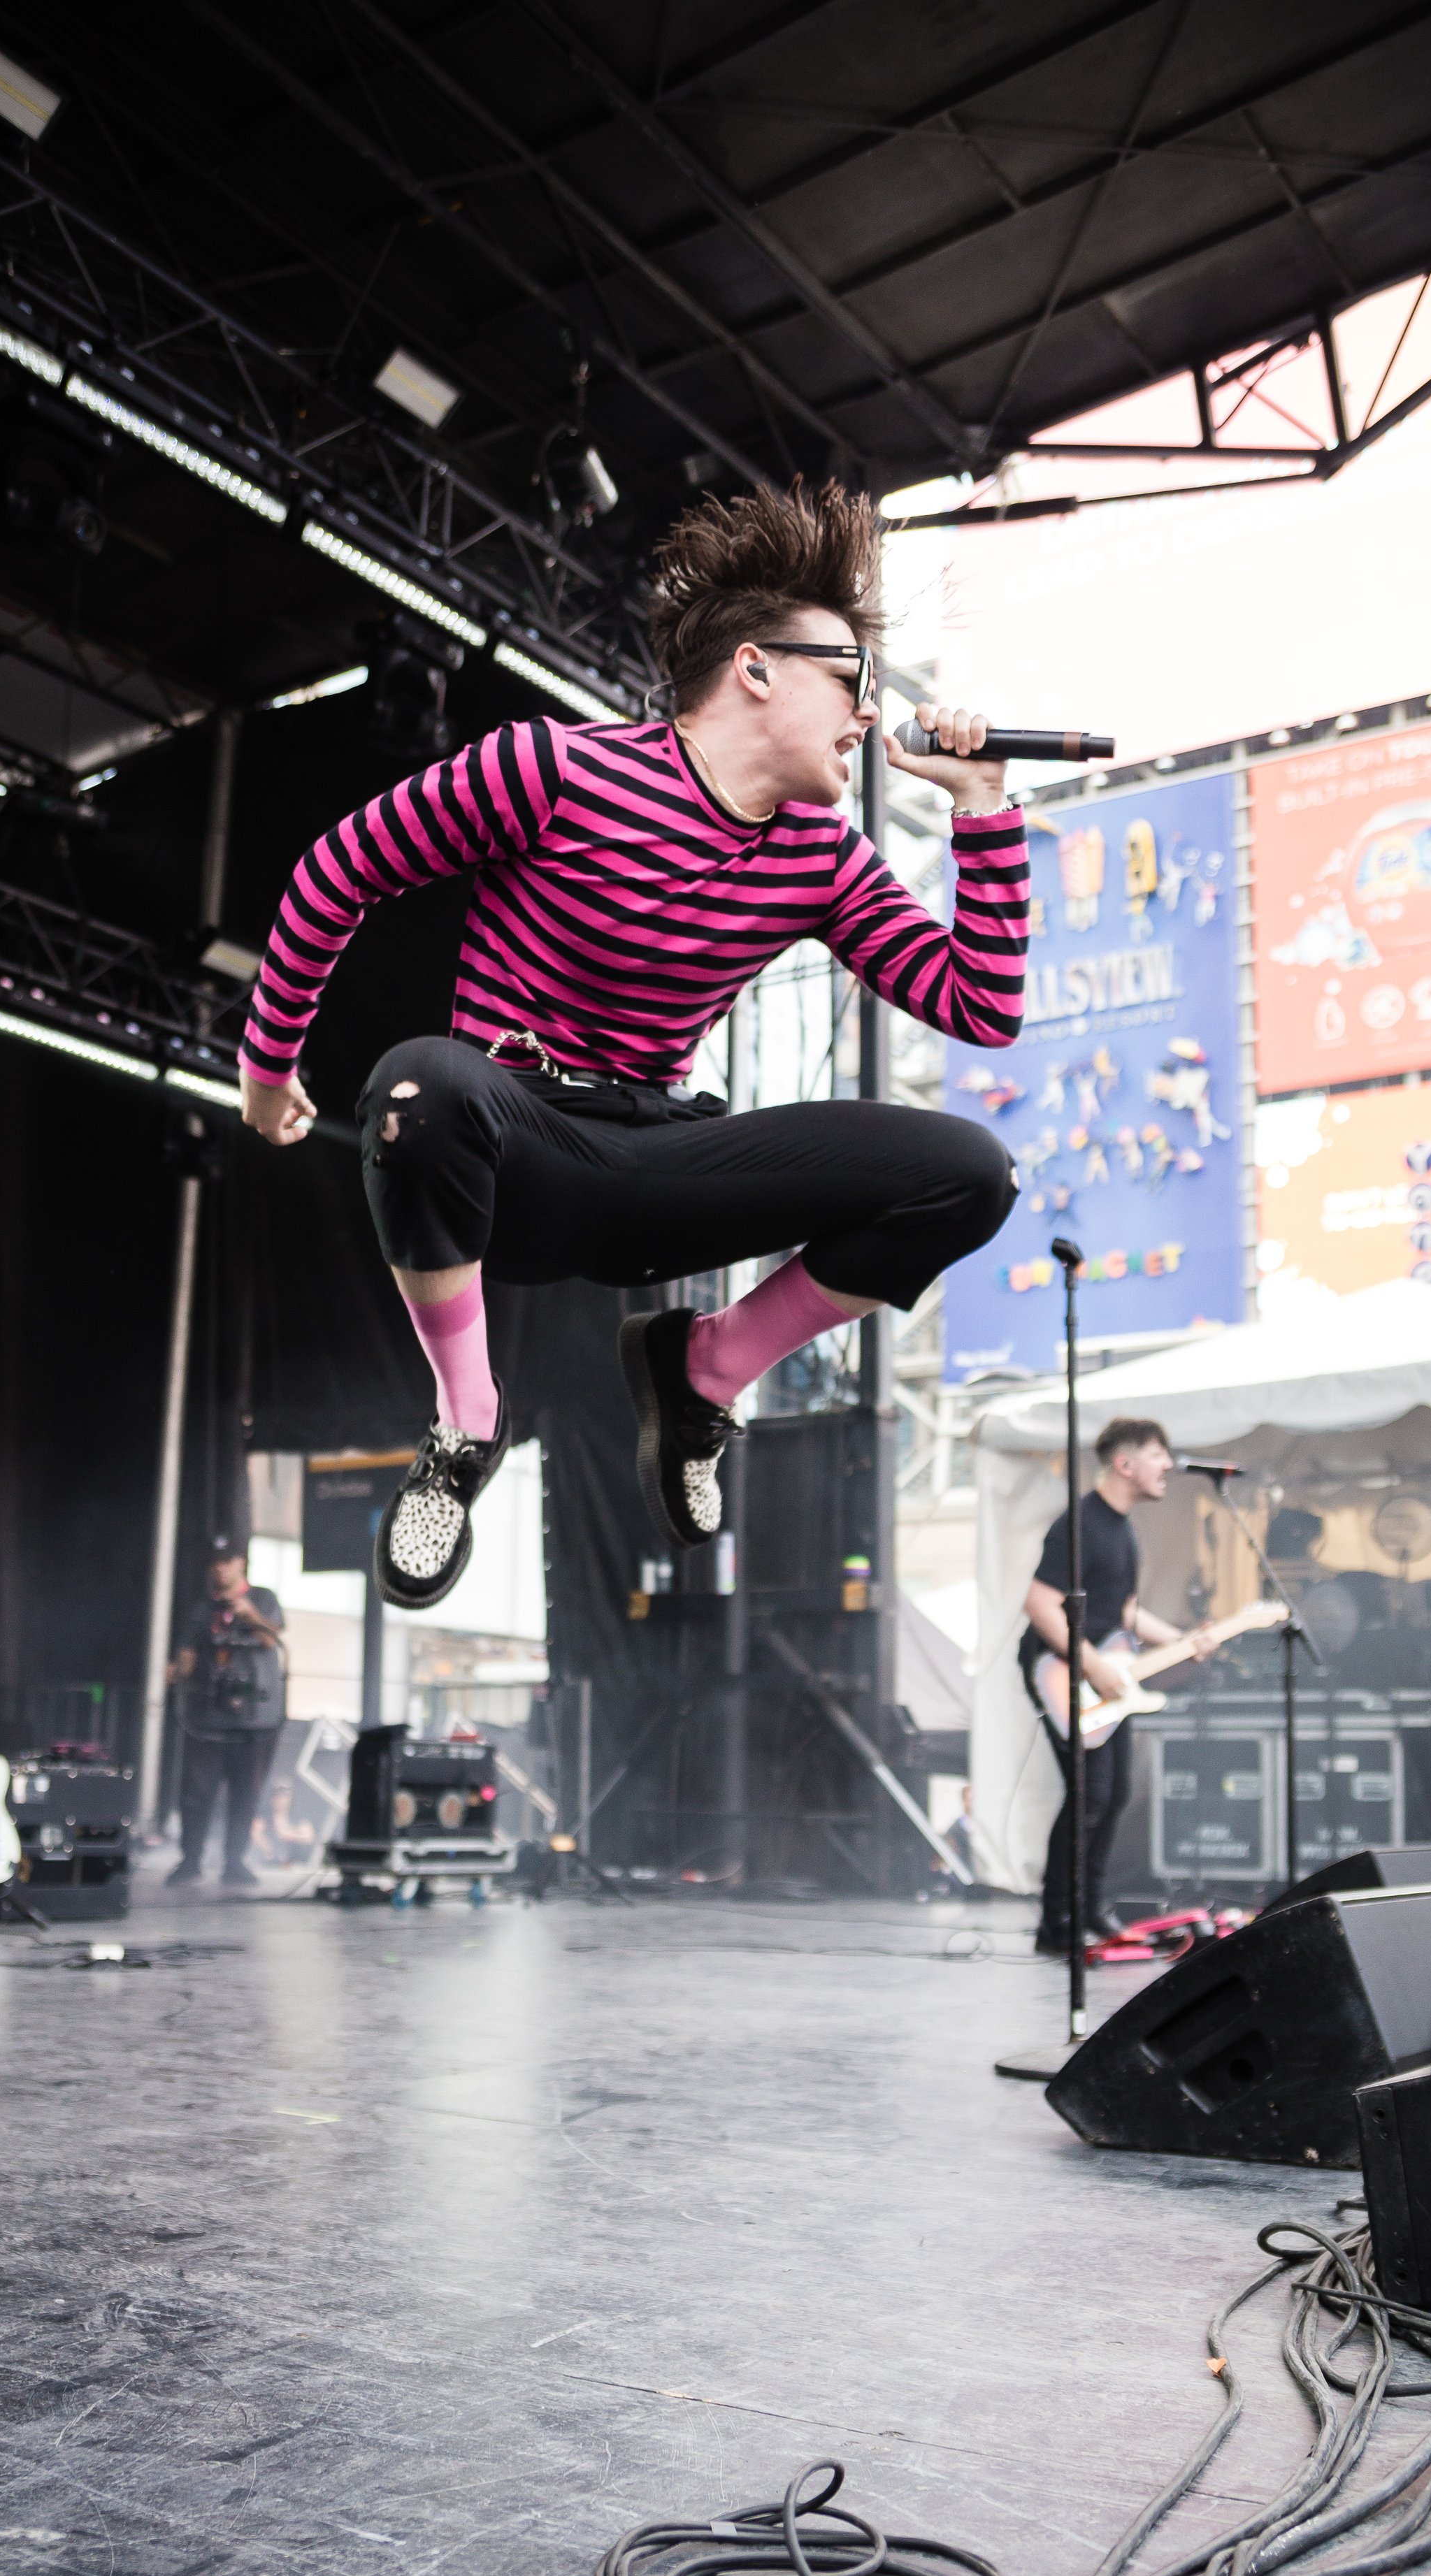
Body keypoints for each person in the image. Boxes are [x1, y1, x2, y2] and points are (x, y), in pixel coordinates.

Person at [240, 479, 1029, 1608]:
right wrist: (268, 1071)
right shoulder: (555, 771)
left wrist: (984, 808)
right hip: (519, 1150)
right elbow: (339, 871)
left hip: (660, 1160)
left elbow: (981, 1004)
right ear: (755, 666)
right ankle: (466, 1423)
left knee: (970, 1175)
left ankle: (704, 1370)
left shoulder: (821, 855)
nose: (867, 715)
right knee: (416, 1089)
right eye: (850, 680)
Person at [1019, 1417, 1218, 1957]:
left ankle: (1091, 1908)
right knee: (1090, 1795)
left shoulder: (1125, 1532)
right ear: (1125, 1464)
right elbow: (1040, 1604)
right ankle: (1056, 1921)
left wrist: (1181, 1639)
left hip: (1107, 1672)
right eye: (1158, 1455)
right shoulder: (1078, 1524)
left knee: (1114, 1795)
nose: (1169, 1467)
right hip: (1062, 1671)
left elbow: (1123, 1611)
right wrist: (1089, 1664)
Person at [168, 1537, 286, 1889]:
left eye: (227, 1561)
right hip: (208, 1715)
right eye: (215, 1563)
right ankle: (191, 1860)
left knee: (245, 1792)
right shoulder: (201, 1609)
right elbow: (185, 1654)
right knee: (197, 1791)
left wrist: (248, 1613)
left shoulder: (263, 1599)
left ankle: (235, 1861)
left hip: (254, 1716)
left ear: (241, 1564)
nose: (221, 1568)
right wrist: (178, 1668)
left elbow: (271, 1639)